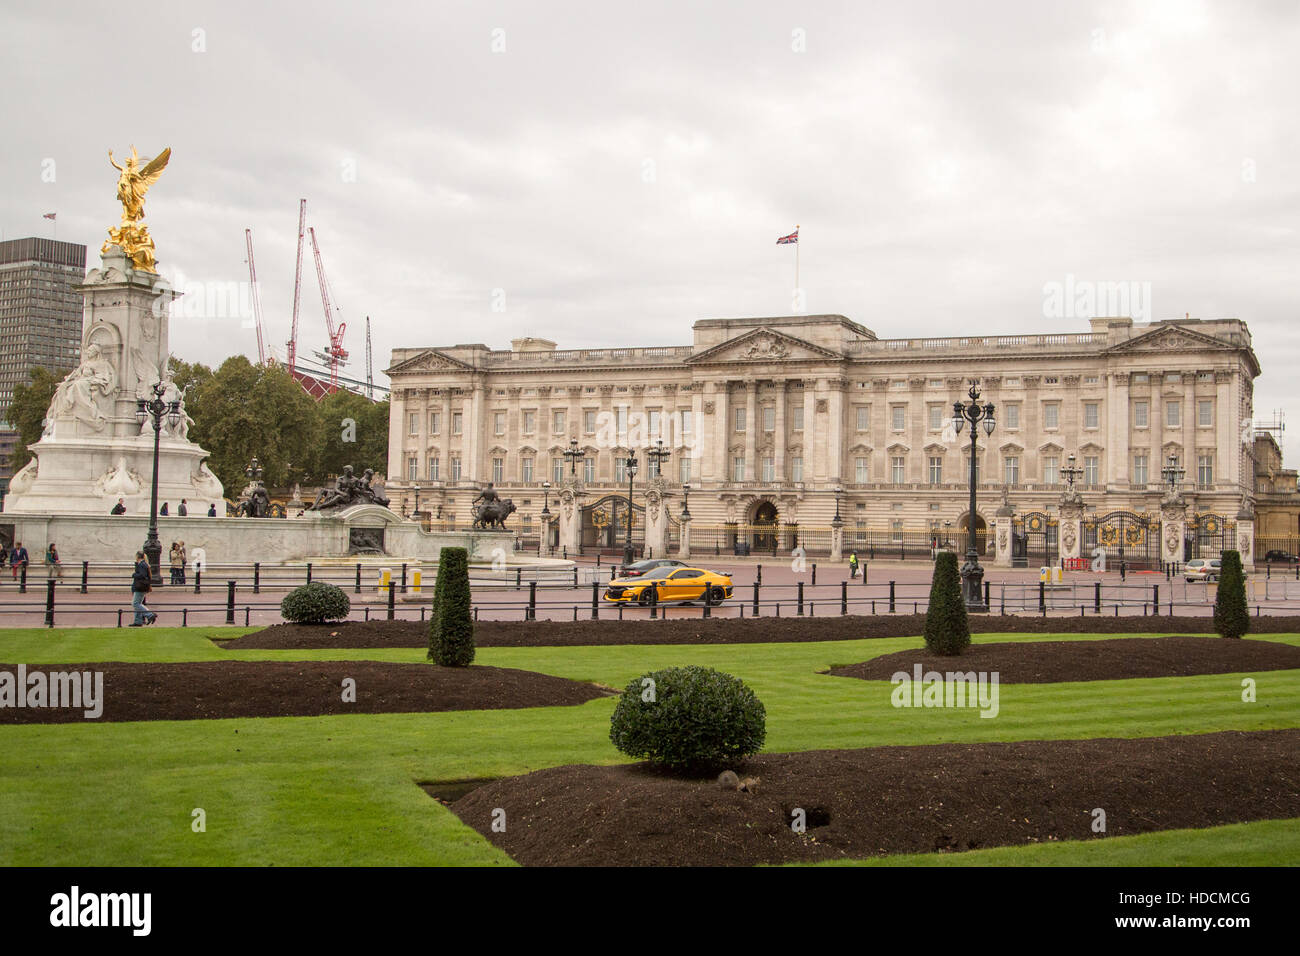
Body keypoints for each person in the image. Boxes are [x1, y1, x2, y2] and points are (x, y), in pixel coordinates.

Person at [131, 551, 156, 626]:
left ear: (137, 556)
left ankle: (149, 615)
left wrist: (134, 574)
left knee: (135, 603)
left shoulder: (142, 564)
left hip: (140, 586)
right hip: (142, 586)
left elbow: (142, 575)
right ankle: (138, 621)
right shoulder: (143, 564)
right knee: (138, 603)